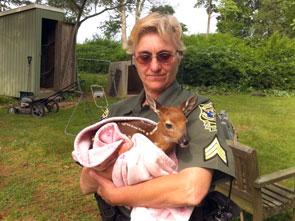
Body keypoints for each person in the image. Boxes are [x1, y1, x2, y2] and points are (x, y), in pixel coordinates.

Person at [79, 12, 235, 220]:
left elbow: (191, 189)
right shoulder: (117, 112)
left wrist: (118, 194)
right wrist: (158, 186)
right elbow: (86, 181)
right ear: (134, 60)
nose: (154, 66)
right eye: (144, 57)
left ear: (178, 58)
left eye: (164, 56)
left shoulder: (198, 110)